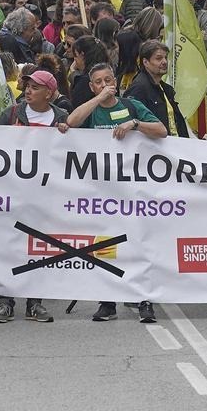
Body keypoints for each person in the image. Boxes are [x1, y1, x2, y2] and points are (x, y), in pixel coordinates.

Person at [66, 62, 165, 323]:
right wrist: (98, 99)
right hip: (102, 196)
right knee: (105, 248)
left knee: (138, 246)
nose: (104, 85)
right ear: (92, 86)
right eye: (98, 82)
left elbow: (161, 130)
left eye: (108, 80)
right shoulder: (92, 110)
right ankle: (107, 302)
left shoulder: (131, 106)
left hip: (133, 194)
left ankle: (145, 301)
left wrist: (135, 124)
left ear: (116, 82)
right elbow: (72, 122)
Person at [0, 70, 68, 324]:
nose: (28, 91)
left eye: (36, 87)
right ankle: (5, 302)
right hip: (14, 192)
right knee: (9, 247)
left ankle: (35, 303)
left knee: (39, 248)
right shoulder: (12, 114)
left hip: (45, 195)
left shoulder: (60, 117)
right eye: (27, 86)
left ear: (49, 92)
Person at [125, 40, 189, 137]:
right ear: (145, 62)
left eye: (165, 58)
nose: (164, 62)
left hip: (173, 145)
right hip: (153, 147)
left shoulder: (164, 87)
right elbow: (130, 121)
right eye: (159, 58)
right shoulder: (139, 88)